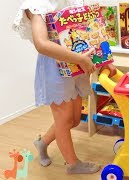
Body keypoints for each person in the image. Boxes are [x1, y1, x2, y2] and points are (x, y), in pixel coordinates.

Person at [12, 0, 116, 174]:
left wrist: (103, 61)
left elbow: (88, 33)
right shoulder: (37, 4)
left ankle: (43, 142)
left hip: (76, 66)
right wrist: (80, 59)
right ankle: (72, 164)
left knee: (74, 120)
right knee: (64, 119)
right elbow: (42, 44)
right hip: (56, 66)